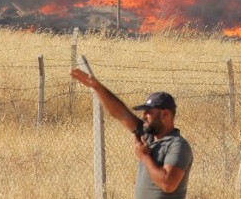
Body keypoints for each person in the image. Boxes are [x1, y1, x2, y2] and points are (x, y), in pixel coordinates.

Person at [70, 68, 193, 199]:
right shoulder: (147, 137)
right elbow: (120, 113)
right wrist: (97, 87)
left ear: (165, 114)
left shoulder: (178, 146)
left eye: (148, 112)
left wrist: (144, 157)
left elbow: (168, 184)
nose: (143, 115)